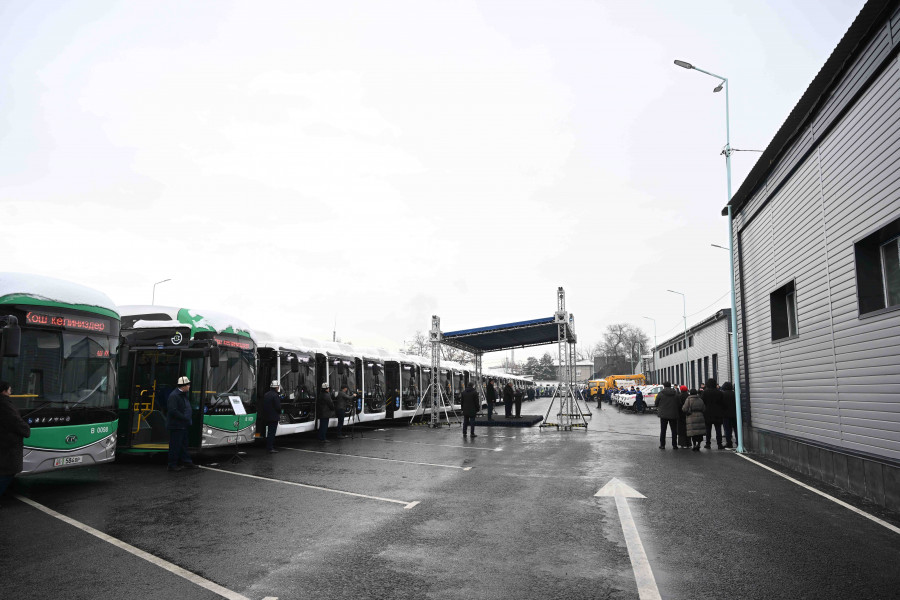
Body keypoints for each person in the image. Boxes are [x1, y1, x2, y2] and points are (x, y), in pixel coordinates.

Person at [0, 381, 30, 498]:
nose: (10, 391)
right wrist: (26, 430)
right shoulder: (4, 404)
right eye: (9, 389)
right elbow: (15, 422)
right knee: (6, 474)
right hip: (7, 445)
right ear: (4, 390)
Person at [166, 376, 197, 471]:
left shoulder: (182, 394)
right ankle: (172, 465)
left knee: (183, 445)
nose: (189, 386)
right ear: (183, 386)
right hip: (177, 426)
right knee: (175, 445)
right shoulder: (174, 396)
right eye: (188, 384)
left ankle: (187, 462)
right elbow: (173, 411)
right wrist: (184, 418)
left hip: (183, 425)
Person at [655, 382, 679, 449]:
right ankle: (674, 445)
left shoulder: (661, 393)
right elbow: (679, 403)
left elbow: (656, 403)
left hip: (663, 414)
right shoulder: (675, 393)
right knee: (674, 430)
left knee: (663, 430)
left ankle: (662, 445)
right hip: (673, 414)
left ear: (664, 386)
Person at [702, 379, 725, 449]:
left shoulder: (705, 392)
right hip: (718, 413)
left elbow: (703, 402)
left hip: (708, 413)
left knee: (708, 429)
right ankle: (719, 444)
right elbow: (722, 403)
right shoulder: (719, 392)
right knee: (718, 429)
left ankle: (708, 443)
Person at [261, 380, 282, 453]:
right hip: (274, 417)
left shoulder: (266, 394)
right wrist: (279, 412)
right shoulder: (275, 395)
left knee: (269, 432)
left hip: (267, 416)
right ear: (276, 387)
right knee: (272, 433)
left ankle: (268, 446)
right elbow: (278, 407)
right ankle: (270, 448)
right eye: (278, 386)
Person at [721, 382, 738, 449]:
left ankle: (729, 443)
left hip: (726, 414)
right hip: (735, 414)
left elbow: (721, 404)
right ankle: (738, 442)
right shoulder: (735, 394)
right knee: (736, 429)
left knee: (727, 429)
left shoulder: (722, 394)